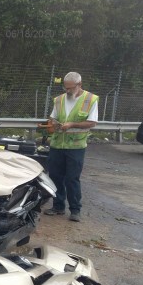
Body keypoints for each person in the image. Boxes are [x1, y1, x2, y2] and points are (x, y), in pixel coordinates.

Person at [44, 72, 98, 222]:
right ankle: (58, 206)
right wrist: (52, 123)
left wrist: (72, 124)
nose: (67, 91)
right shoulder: (59, 100)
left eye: (70, 88)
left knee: (72, 178)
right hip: (57, 144)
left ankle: (75, 210)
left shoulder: (90, 100)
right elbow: (53, 117)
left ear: (79, 85)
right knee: (55, 176)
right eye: (65, 87)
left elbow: (92, 122)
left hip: (76, 146)